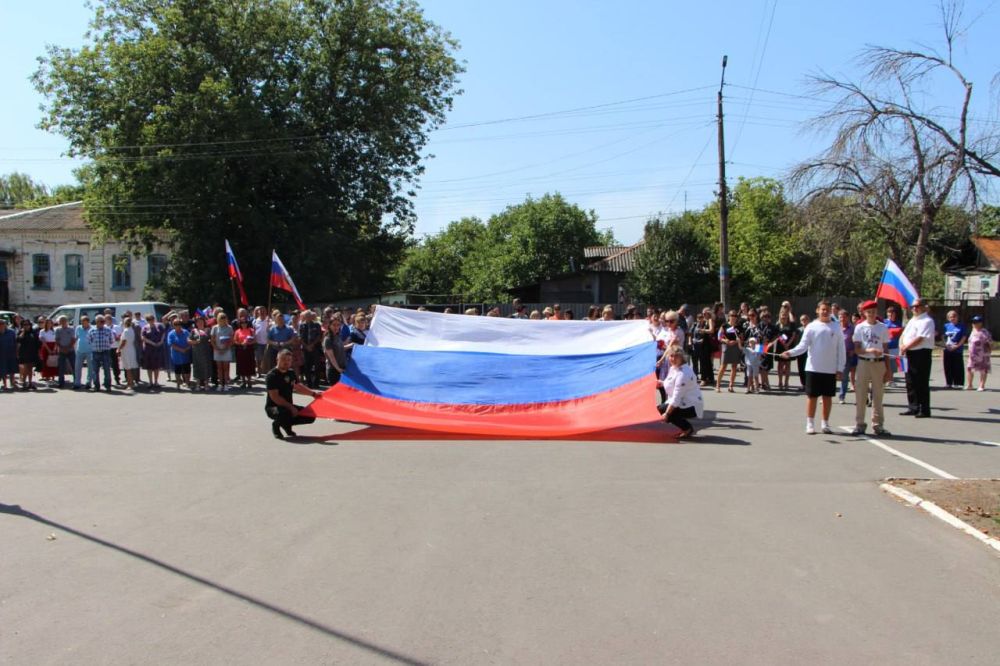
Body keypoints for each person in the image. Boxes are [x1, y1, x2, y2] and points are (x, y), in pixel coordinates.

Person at [781, 300, 846, 435]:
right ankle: (810, 423)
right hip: (813, 368)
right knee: (812, 397)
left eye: (827, 309)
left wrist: (840, 368)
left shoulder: (836, 327)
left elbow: (841, 349)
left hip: (830, 369)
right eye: (822, 309)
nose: (825, 311)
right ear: (817, 310)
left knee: (827, 397)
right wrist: (790, 353)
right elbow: (802, 346)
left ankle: (825, 423)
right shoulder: (811, 327)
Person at [851, 300, 892, 437]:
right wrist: (869, 349)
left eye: (874, 311)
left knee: (878, 395)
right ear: (864, 313)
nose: (871, 314)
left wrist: (888, 369)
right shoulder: (860, 328)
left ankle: (878, 424)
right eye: (869, 312)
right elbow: (856, 349)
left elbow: (886, 349)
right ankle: (860, 424)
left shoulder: (882, 327)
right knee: (861, 394)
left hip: (878, 363)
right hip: (863, 362)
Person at [266, 349, 322, 439]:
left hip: (287, 406)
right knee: (285, 413)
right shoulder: (271, 376)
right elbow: (275, 397)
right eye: (283, 359)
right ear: (277, 360)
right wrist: (291, 407)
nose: (286, 362)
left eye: (289, 360)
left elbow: (298, 387)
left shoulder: (291, 373)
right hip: (273, 407)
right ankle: (276, 425)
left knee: (310, 415)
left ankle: (286, 424)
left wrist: (314, 394)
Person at [656, 346, 704, 438]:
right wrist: (661, 383)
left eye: (676, 356)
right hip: (681, 401)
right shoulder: (674, 368)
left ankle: (687, 428)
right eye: (671, 356)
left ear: (682, 357)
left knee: (663, 410)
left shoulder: (684, 374)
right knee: (661, 409)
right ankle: (678, 421)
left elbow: (676, 398)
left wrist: (667, 414)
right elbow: (670, 382)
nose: (673, 359)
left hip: (691, 406)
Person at [899, 298, 935, 418]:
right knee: (910, 381)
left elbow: (920, 338)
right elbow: (904, 334)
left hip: (921, 353)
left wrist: (906, 347)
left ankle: (924, 409)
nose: (914, 308)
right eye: (913, 306)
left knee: (921, 382)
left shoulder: (927, 320)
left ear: (924, 307)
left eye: (917, 306)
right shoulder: (913, 320)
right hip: (910, 353)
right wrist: (901, 345)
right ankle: (913, 407)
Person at [716, 311, 743, 393]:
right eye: (732, 315)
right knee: (723, 366)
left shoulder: (739, 327)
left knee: (734, 366)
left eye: (735, 315)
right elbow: (719, 337)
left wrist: (735, 342)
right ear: (729, 316)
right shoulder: (724, 326)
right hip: (726, 347)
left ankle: (731, 385)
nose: (733, 317)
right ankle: (718, 385)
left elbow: (741, 338)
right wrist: (725, 341)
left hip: (735, 347)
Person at [87, 315, 115, 392]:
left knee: (107, 370)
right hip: (95, 352)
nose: (103, 323)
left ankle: (108, 385)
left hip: (105, 352)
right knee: (95, 370)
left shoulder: (108, 330)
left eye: (103, 321)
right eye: (101, 321)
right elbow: (89, 341)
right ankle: (96, 386)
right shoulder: (91, 331)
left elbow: (112, 340)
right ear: (96, 322)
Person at [941, 309, 968, 389]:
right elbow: (943, 337)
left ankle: (958, 383)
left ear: (957, 317)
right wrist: (946, 345)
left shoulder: (961, 326)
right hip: (947, 349)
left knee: (957, 366)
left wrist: (957, 346)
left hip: (957, 349)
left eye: (954, 316)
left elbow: (964, 337)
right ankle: (948, 383)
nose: (953, 318)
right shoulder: (946, 326)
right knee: (947, 366)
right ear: (948, 318)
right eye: (950, 317)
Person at [298, 310, 323, 389]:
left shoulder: (317, 325)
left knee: (317, 366)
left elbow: (319, 336)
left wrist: (312, 345)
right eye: (306, 316)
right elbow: (300, 337)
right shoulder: (302, 325)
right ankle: (309, 384)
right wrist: (306, 346)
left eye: (309, 316)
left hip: (315, 348)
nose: (307, 317)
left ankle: (316, 383)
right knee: (307, 366)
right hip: (305, 349)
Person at [965, 315, 992, 391]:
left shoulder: (984, 332)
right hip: (972, 355)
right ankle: (970, 385)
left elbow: (989, 343)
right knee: (969, 369)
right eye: (973, 322)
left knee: (983, 370)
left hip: (982, 354)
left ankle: (981, 385)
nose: (974, 324)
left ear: (980, 323)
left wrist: (989, 351)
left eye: (976, 322)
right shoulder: (972, 331)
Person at [211, 312, 235, 392]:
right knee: (219, 369)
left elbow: (232, 340)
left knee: (226, 368)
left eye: (224, 318)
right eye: (221, 318)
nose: (223, 320)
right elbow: (212, 340)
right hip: (217, 350)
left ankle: (226, 385)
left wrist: (225, 348)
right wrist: (217, 349)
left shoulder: (229, 328)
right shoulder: (215, 328)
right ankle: (220, 384)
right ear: (218, 319)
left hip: (226, 350)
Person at [141, 314, 166, 389]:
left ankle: (156, 381)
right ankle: (150, 382)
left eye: (152, 319)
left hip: (157, 348)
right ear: (147, 320)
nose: (151, 321)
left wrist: (161, 341)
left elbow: (163, 333)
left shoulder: (159, 326)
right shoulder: (145, 328)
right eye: (149, 320)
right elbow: (143, 337)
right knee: (149, 367)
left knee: (156, 366)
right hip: (149, 349)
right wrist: (152, 343)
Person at [836, 310, 856, 404]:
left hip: (847, 355)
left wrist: (854, 350)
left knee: (844, 376)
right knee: (831, 376)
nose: (842, 318)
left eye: (844, 316)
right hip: (835, 355)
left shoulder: (852, 328)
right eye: (840, 316)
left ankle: (842, 396)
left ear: (848, 318)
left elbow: (857, 341)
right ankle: (826, 395)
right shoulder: (835, 327)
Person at [167, 319, 193, 389]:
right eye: (175, 324)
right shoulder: (171, 333)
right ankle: (178, 383)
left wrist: (186, 349)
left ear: (181, 325)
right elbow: (171, 344)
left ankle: (187, 383)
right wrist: (181, 349)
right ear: (173, 325)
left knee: (187, 369)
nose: (177, 326)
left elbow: (191, 341)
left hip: (186, 354)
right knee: (177, 370)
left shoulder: (186, 332)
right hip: (176, 355)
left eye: (178, 324)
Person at [190, 316, 213, 391]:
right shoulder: (193, 331)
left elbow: (212, 339)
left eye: (201, 321)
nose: (199, 323)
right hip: (196, 352)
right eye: (198, 321)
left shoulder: (208, 330)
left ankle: (206, 384)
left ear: (204, 322)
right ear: (196, 323)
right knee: (197, 367)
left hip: (206, 351)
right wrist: (194, 342)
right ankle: (198, 384)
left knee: (206, 367)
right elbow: (189, 340)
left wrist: (210, 341)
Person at [16, 319, 40, 391]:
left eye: (28, 324)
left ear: (30, 325)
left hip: (32, 353)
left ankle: (30, 383)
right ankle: (24, 383)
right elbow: (18, 340)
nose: (26, 326)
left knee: (30, 368)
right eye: (25, 325)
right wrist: (23, 332)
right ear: (22, 326)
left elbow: (37, 342)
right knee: (25, 368)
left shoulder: (33, 332)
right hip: (24, 353)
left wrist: (38, 352)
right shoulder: (21, 332)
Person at [322, 318, 347, 386]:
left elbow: (340, 349)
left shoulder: (338, 336)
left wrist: (351, 345)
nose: (336, 327)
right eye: (334, 325)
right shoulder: (327, 339)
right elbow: (331, 357)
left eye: (338, 325)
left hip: (342, 368)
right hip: (333, 370)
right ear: (329, 326)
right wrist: (338, 369)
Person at [233, 319, 257, 389]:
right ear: (240, 324)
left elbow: (255, 340)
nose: (244, 324)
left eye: (245, 322)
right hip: (240, 350)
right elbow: (235, 340)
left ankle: (249, 381)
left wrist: (248, 343)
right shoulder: (237, 331)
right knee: (241, 365)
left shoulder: (251, 330)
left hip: (249, 349)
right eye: (242, 323)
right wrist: (241, 343)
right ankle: (243, 382)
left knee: (249, 365)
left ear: (247, 323)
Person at [54, 315, 76, 389]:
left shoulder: (71, 329)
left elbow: (73, 339)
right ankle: (61, 383)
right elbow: (57, 340)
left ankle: (76, 382)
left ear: (67, 321)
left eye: (64, 321)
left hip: (71, 350)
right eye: (61, 321)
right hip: (61, 351)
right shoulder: (58, 330)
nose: (62, 322)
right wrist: (62, 348)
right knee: (61, 367)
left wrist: (68, 347)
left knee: (74, 366)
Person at [118, 316, 140, 390]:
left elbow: (124, 342)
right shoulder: (131, 330)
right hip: (131, 349)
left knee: (128, 368)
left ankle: (130, 384)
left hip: (127, 350)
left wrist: (118, 349)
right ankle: (129, 382)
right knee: (129, 367)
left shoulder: (126, 331)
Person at [73, 315, 94, 390]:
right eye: (81, 322)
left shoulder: (92, 329)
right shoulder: (78, 328)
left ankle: (88, 382)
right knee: (77, 367)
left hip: (89, 350)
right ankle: (77, 383)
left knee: (90, 368)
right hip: (79, 350)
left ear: (88, 322)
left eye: (84, 322)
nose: (82, 323)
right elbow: (76, 338)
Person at [884, 305, 902, 384]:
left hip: (895, 347)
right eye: (889, 313)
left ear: (895, 314)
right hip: (886, 347)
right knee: (886, 364)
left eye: (892, 313)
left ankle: (891, 379)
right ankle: (887, 379)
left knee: (893, 365)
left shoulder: (898, 323)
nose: (890, 315)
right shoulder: (884, 322)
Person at [37, 319, 58, 385]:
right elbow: (43, 341)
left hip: (54, 346)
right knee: (46, 362)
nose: (49, 324)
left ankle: (53, 377)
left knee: (53, 362)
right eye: (48, 323)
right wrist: (48, 349)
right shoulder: (42, 331)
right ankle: (47, 377)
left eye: (50, 323)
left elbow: (57, 340)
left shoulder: (55, 331)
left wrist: (54, 349)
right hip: (46, 347)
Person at [0, 319, 17, 391]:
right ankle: (4, 384)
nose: (2, 325)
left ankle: (13, 383)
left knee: (12, 369)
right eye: (0, 324)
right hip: (1, 354)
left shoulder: (11, 332)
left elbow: (15, 342)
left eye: (3, 324)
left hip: (11, 353)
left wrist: (16, 352)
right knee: (3, 370)